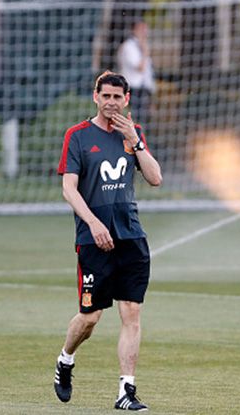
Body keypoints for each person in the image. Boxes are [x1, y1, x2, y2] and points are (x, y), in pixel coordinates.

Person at [54, 71, 162, 411]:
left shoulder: (134, 134)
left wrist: (137, 141)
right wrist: (93, 223)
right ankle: (65, 359)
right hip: (93, 239)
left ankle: (125, 392)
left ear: (127, 99)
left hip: (131, 237)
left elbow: (156, 178)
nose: (112, 103)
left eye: (118, 97)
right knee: (90, 317)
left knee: (131, 313)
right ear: (95, 97)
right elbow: (68, 188)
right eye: (106, 96)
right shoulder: (78, 136)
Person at [117, 20, 156, 128]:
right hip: (132, 88)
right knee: (134, 121)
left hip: (144, 89)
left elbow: (148, 73)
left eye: (146, 29)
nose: (145, 32)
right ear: (134, 30)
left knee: (146, 121)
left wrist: (151, 91)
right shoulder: (128, 46)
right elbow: (141, 67)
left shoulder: (142, 46)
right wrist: (144, 52)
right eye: (142, 29)